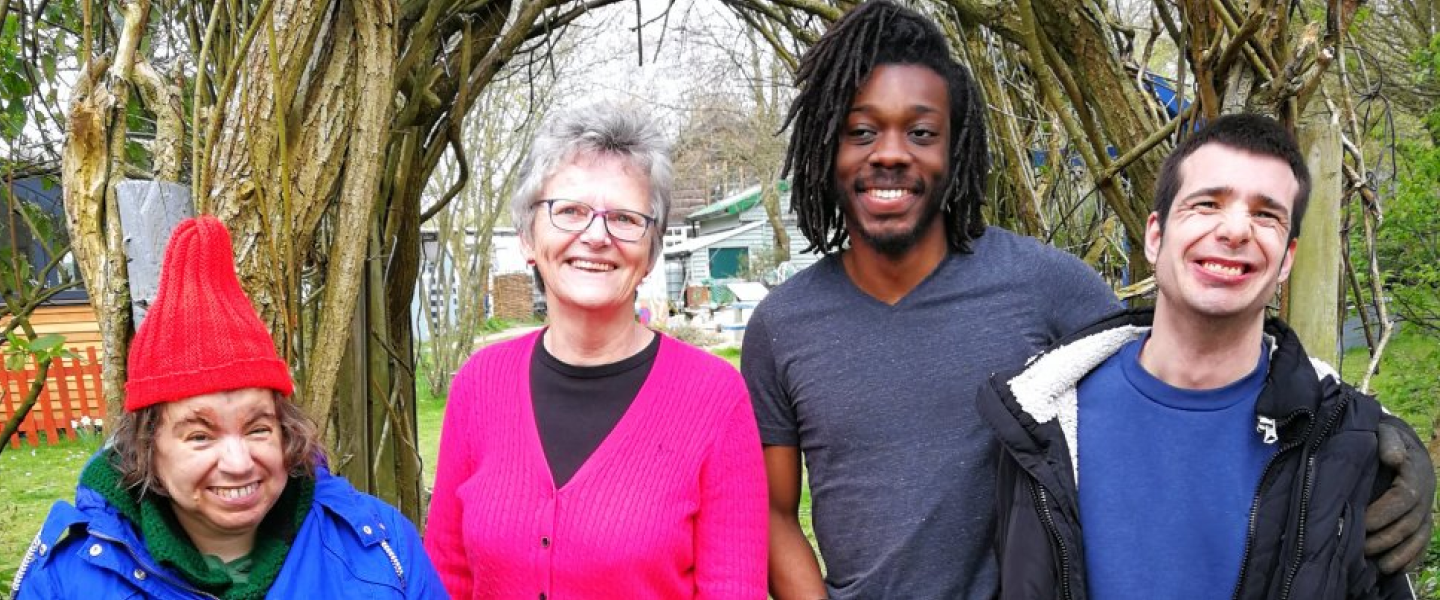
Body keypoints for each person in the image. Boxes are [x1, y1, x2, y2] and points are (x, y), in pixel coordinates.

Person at [742, 2, 1435, 598]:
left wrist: (1372, 438)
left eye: (921, 132)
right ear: (824, 145)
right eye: (862, 130)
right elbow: (773, 513)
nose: (890, 153)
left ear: (958, 149)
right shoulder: (783, 325)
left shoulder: (1048, 286)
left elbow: (1194, 368)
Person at [978, 114, 1416, 599]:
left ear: (1288, 258)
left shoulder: (1343, 441)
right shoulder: (1043, 420)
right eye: (1207, 204)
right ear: (1155, 237)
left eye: (1265, 214)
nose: (1235, 230)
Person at [424, 100, 767, 599]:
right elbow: (447, 577)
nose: (596, 236)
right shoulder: (478, 385)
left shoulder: (715, 399)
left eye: (625, 218)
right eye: (570, 211)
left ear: (650, 252)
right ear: (527, 236)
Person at [11, 216, 444, 599]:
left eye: (258, 429)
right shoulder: (67, 579)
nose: (239, 463)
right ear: (146, 446)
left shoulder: (381, 548)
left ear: (286, 432)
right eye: (200, 436)